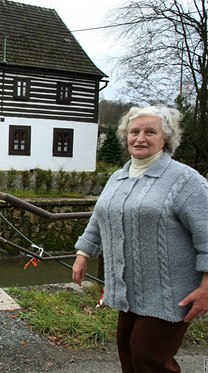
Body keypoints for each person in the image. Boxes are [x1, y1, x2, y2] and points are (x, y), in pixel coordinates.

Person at [72, 105, 208, 373]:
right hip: (129, 291)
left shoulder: (184, 180)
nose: (140, 138)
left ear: (165, 138)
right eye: (134, 131)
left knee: (150, 359)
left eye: (150, 131)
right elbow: (100, 217)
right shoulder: (118, 177)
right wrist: (83, 253)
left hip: (171, 294)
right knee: (127, 351)